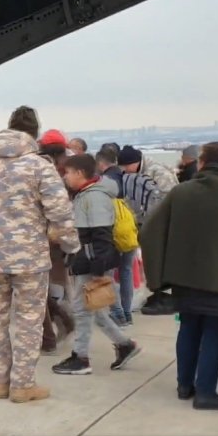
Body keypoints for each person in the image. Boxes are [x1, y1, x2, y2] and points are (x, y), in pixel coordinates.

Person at [0, 106, 80, 403]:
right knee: (29, 322)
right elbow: (60, 212)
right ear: (34, 133)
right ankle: (22, 385)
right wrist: (72, 246)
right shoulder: (40, 166)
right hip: (30, 259)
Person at [140, 142, 218, 409]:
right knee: (215, 333)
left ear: (203, 163)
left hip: (184, 278)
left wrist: (159, 275)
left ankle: (184, 385)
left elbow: (149, 231)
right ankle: (205, 393)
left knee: (189, 328)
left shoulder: (181, 192)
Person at [51, 154, 141, 376]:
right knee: (94, 308)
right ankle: (124, 344)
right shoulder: (89, 194)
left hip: (92, 262)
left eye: (68, 173)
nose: (66, 178)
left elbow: (101, 236)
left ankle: (80, 358)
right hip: (89, 260)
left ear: (80, 173)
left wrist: (97, 269)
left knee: (82, 310)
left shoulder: (94, 197)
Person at [117, 145, 178, 315]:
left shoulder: (158, 172)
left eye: (124, 166)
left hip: (162, 224)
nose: (123, 170)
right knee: (152, 261)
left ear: (134, 162)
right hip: (145, 223)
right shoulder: (133, 174)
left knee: (162, 260)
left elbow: (170, 198)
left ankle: (166, 295)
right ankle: (157, 292)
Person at [36, 129, 76, 354]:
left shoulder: (41, 167)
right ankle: (60, 319)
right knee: (39, 287)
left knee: (32, 288)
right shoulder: (68, 168)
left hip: (40, 236)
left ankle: (52, 332)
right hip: (58, 235)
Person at [96, 148, 135, 327]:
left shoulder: (105, 181)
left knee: (109, 274)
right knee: (126, 272)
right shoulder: (128, 177)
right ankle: (127, 312)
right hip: (129, 230)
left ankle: (117, 313)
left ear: (101, 163)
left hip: (113, 232)